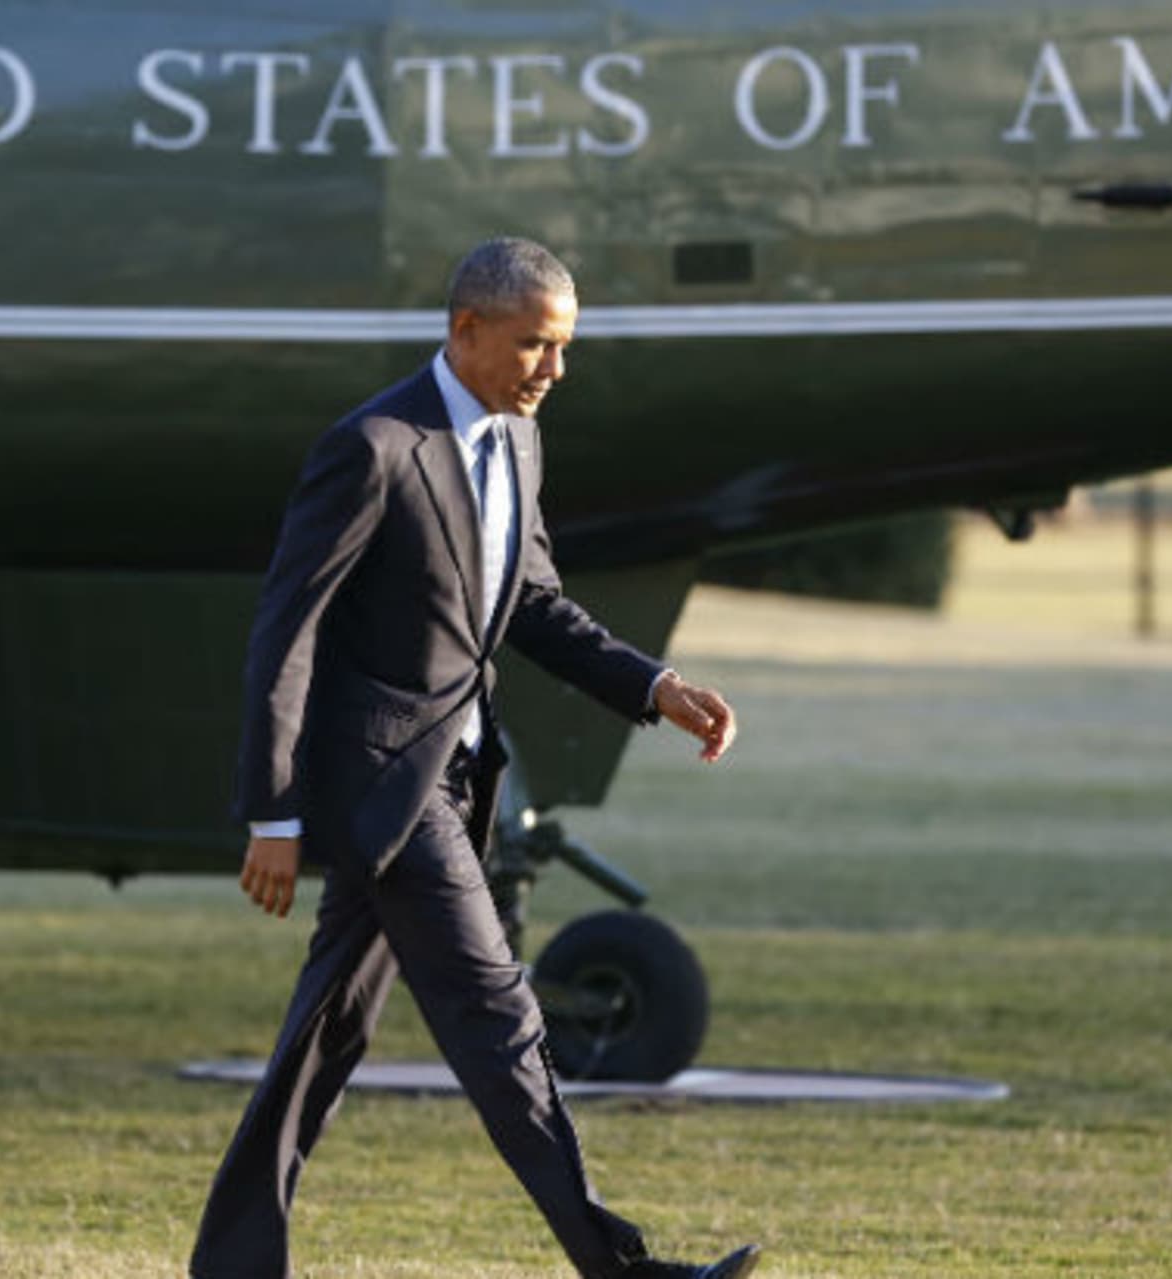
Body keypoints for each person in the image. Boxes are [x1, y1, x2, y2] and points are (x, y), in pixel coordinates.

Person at [189, 237, 759, 1279]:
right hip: (384, 791)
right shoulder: (372, 447)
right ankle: (621, 1270)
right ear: (466, 330)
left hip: (454, 778)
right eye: (537, 345)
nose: (555, 369)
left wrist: (655, 685)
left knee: (325, 1031)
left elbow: (532, 605)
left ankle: (233, 1262)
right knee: (502, 1020)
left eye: (564, 347)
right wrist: (272, 811)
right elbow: (287, 630)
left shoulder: (519, 445)